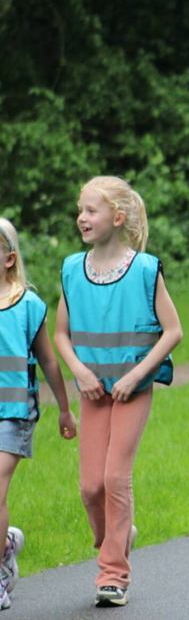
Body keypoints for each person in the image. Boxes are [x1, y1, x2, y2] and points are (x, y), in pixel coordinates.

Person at [54, 176, 183, 607]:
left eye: (91, 210)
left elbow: (173, 331)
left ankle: (113, 574)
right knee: (90, 487)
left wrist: (135, 376)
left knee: (114, 478)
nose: (82, 217)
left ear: (118, 218)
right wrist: (79, 372)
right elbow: (61, 335)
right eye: (81, 209)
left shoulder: (145, 270)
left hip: (133, 390)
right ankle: (117, 535)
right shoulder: (73, 268)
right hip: (92, 393)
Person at [0, 219, 77, 610]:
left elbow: (48, 359)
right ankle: (7, 544)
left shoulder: (28, 305)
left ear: (9, 259)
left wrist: (65, 409)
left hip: (13, 413)